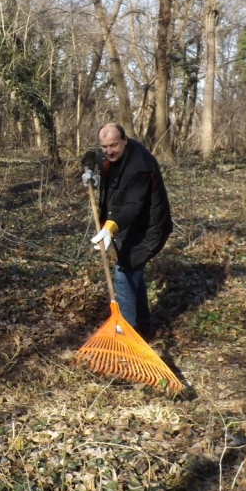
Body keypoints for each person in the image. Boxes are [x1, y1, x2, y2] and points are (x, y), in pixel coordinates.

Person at [82, 123, 172, 338]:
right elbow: (89, 156)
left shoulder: (139, 166)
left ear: (125, 140)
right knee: (134, 274)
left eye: (113, 145)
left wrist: (110, 228)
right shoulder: (107, 154)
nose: (109, 151)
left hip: (148, 229)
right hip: (128, 227)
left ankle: (126, 332)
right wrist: (89, 172)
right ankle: (144, 327)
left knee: (124, 272)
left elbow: (132, 206)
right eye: (104, 146)